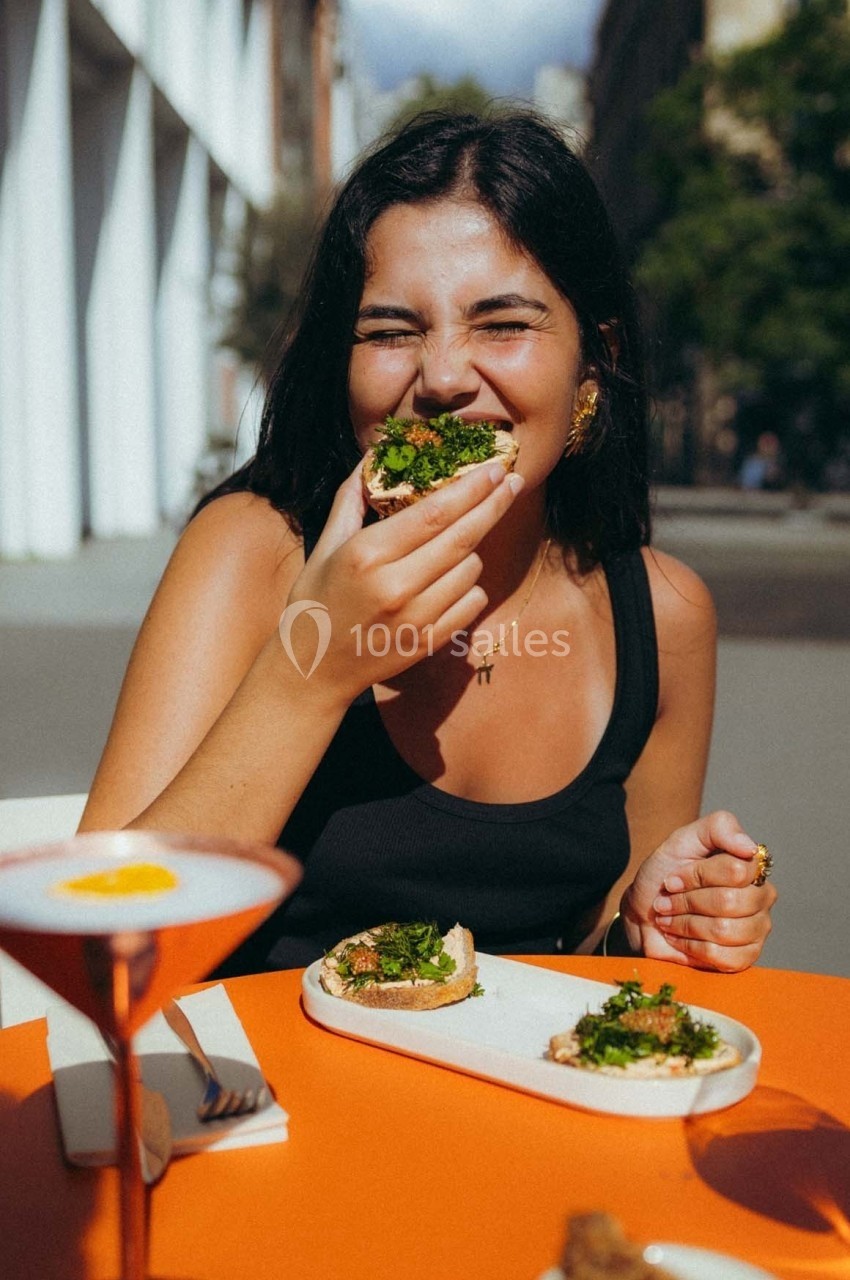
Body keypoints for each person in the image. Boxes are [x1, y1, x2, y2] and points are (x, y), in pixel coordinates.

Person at [79, 111, 776, 974]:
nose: (441, 378)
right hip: (267, 1099)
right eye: (390, 331)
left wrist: (641, 932)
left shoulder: (664, 618)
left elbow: (599, 980)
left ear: (591, 366)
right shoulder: (252, 555)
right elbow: (101, 957)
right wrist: (314, 673)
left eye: (503, 324)